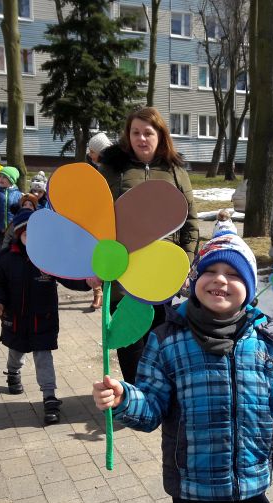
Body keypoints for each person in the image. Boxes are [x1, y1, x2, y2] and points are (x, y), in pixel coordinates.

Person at [93, 233, 273, 503]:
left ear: (249, 289)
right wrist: (125, 398)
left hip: (249, 483)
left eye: (234, 274)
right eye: (211, 271)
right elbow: (152, 408)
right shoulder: (167, 340)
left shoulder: (267, 346)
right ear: (194, 281)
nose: (221, 280)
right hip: (194, 487)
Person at [99, 106, 199, 382]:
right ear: (127, 136)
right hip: (124, 271)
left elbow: (191, 222)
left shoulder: (175, 170)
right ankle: (135, 395)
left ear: (160, 136)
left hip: (161, 271)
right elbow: (99, 218)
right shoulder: (113, 169)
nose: (141, 139)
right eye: (135, 133)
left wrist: (185, 263)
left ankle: (157, 392)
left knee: (159, 337)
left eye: (148, 133)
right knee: (128, 337)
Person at [0, 209, 88, 425]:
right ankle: (13, 373)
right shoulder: (6, 259)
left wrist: (87, 282)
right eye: (26, 235)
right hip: (15, 318)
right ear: (19, 236)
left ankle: (50, 399)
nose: (31, 239)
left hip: (43, 319)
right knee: (16, 351)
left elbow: (68, 277)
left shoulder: (49, 259)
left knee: (43, 358)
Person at [0, 166, 22, 260]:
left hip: (12, 229)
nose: (0, 179)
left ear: (11, 180)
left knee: (10, 250)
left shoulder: (18, 195)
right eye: (0, 176)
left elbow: (21, 211)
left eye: (4, 177)